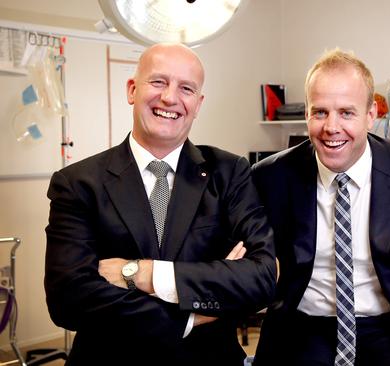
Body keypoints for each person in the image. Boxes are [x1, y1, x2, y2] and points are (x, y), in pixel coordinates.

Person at [44, 43, 276, 365]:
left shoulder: (229, 173)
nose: (170, 98)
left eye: (186, 88)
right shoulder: (79, 183)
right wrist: (191, 316)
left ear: (198, 104)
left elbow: (261, 278)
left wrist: (143, 273)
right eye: (158, 82)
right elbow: (68, 298)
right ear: (132, 90)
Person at [251, 49, 390, 366]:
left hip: (389, 331)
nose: (332, 127)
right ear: (307, 112)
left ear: (371, 114)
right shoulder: (269, 178)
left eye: (346, 112)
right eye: (320, 112)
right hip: (301, 329)